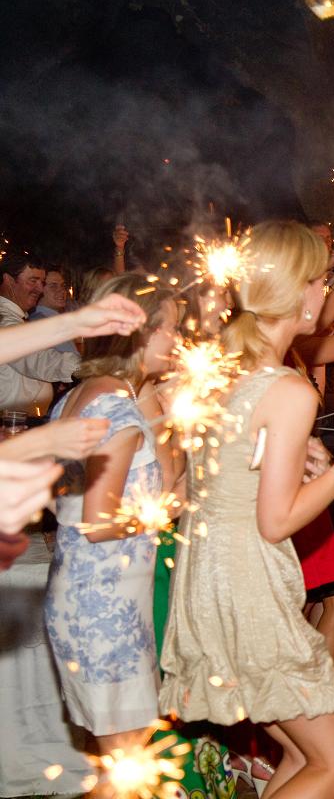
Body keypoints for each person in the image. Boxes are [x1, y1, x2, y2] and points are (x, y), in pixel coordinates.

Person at [159, 221, 334, 799]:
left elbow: (226, 476)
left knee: (302, 756)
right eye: (319, 281)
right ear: (296, 291)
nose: (326, 291)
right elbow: (276, 522)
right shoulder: (288, 389)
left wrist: (300, 461)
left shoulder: (227, 372)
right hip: (247, 586)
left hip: (211, 579)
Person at [43, 273, 178, 760]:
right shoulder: (116, 413)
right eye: (171, 329)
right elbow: (100, 522)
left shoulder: (90, 393)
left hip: (96, 593)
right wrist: (158, 515)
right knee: (126, 757)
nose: (178, 341)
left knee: (122, 753)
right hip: (103, 604)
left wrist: (158, 398)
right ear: (143, 334)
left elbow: (165, 473)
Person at [0, 254, 79, 414]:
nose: (40, 289)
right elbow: (38, 359)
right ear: (8, 280)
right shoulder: (5, 321)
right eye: (33, 281)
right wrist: (88, 367)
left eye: (41, 282)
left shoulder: (17, 319)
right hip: (11, 422)